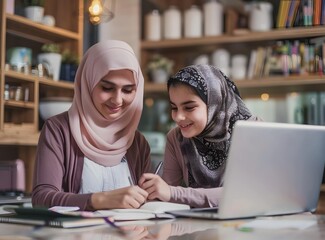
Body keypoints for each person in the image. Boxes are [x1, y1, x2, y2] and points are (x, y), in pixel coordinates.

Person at [32, 40, 151, 211]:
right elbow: (41, 199)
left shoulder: (137, 142)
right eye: (107, 88)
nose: (117, 100)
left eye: (127, 90)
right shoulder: (58, 130)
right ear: (88, 83)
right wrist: (100, 200)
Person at [139, 65, 260, 208]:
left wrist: (174, 193)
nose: (178, 117)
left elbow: (244, 195)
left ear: (214, 102)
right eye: (174, 108)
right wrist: (153, 192)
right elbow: (165, 196)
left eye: (189, 107)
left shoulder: (252, 130)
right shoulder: (176, 138)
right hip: (196, 226)